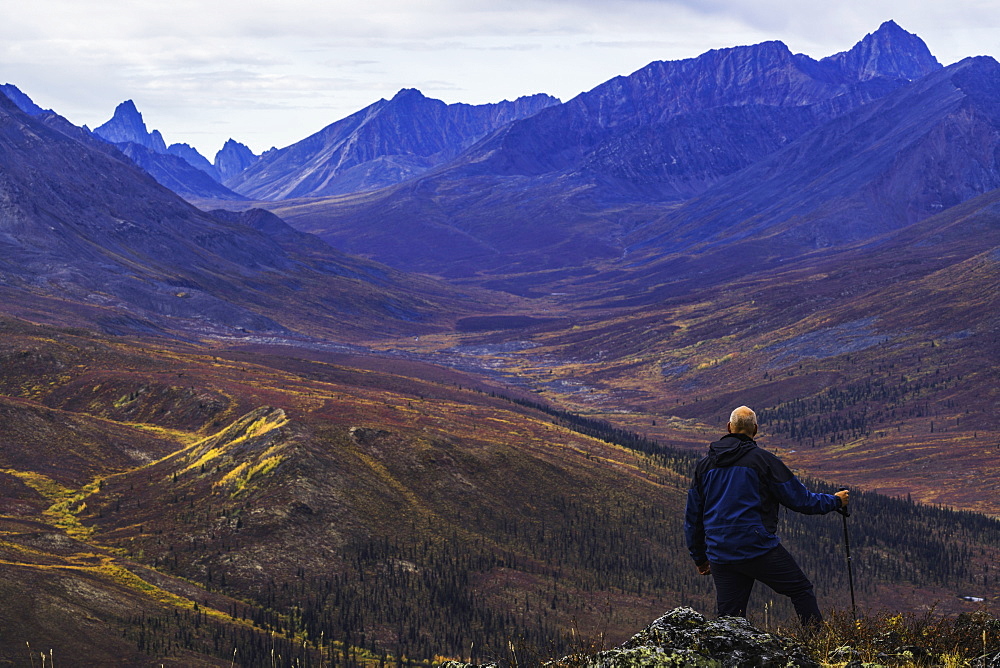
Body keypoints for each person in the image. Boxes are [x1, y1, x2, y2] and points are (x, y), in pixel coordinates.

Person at [684, 405, 849, 626]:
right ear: (755, 430)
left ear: (729, 428)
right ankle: (818, 644)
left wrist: (700, 557)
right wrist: (835, 501)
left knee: (730, 619)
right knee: (800, 589)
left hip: (720, 552)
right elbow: (801, 500)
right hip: (756, 547)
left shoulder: (704, 466)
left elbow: (693, 517)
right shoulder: (764, 461)